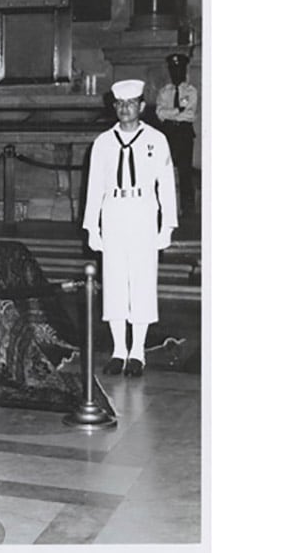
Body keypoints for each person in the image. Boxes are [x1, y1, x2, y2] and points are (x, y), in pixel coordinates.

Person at [82, 80, 177, 378]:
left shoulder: (157, 140)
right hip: (113, 213)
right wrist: (92, 228)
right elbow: (94, 186)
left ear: (142, 107)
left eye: (132, 103)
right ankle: (118, 350)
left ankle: (137, 352)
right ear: (114, 107)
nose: (126, 109)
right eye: (120, 104)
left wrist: (168, 226)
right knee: (114, 283)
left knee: (142, 282)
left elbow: (167, 186)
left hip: (143, 213)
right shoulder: (103, 143)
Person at [155, 53, 199, 217]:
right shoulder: (164, 91)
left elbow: (189, 114)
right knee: (164, 170)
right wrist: (177, 111)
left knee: (185, 172)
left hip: (184, 134)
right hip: (168, 133)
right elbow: (159, 113)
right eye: (173, 69)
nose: (176, 73)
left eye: (179, 69)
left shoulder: (191, 91)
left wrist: (170, 114)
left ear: (184, 70)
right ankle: (165, 209)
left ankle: (188, 212)